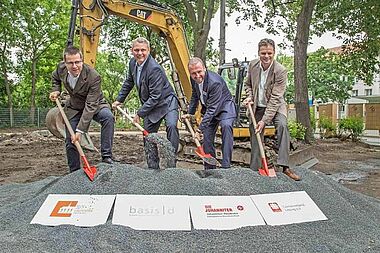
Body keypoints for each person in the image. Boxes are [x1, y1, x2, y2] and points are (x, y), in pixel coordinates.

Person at [112, 37, 179, 169]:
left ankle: (172, 164)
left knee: (171, 126)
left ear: (148, 51)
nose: (140, 53)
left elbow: (155, 96)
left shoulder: (154, 69)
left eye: (143, 50)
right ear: (132, 51)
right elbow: (129, 82)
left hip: (166, 102)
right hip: (152, 105)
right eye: (136, 50)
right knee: (147, 133)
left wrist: (140, 114)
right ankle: (153, 167)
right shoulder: (133, 63)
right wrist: (120, 99)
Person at [49, 46, 115, 173]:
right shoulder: (60, 68)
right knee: (70, 139)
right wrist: (55, 90)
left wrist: (80, 130)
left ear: (82, 60)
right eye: (70, 63)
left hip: (95, 104)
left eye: (77, 62)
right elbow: (55, 77)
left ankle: (107, 156)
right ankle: (74, 171)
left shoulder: (94, 76)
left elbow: (90, 106)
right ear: (65, 62)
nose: (74, 66)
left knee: (108, 117)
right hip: (74, 106)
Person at [243, 38, 300, 181]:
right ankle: (255, 168)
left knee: (282, 125)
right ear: (258, 53)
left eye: (269, 53)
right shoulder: (252, 65)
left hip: (275, 106)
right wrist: (249, 96)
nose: (266, 56)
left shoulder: (280, 71)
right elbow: (248, 84)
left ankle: (285, 166)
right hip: (258, 105)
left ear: (274, 53)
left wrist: (264, 121)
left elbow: (275, 98)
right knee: (255, 129)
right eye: (263, 53)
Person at [183, 57, 237, 170]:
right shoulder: (193, 79)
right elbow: (195, 95)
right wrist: (190, 113)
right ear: (190, 73)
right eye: (193, 73)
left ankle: (226, 167)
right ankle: (210, 169)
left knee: (226, 126)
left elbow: (212, 109)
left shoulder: (214, 82)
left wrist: (199, 130)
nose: (197, 76)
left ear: (204, 69)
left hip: (224, 108)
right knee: (207, 137)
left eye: (199, 72)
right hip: (210, 109)